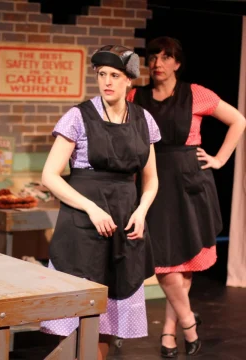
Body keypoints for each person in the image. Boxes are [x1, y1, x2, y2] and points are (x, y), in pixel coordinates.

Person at [127, 36, 246, 357]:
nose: (158, 63)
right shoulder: (135, 96)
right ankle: (188, 321)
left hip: (191, 181)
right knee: (164, 262)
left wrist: (220, 159)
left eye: (166, 57)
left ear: (177, 63)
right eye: (153, 57)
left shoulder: (196, 93)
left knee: (185, 261)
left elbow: (238, 120)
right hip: (153, 181)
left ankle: (168, 331)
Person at [40, 45, 160, 360]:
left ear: (129, 81)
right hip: (83, 223)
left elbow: (151, 179)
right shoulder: (78, 116)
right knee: (78, 308)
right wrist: (91, 208)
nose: (107, 81)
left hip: (125, 221)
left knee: (108, 311)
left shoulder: (143, 119)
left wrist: (142, 211)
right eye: (102, 74)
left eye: (115, 76)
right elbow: (50, 176)